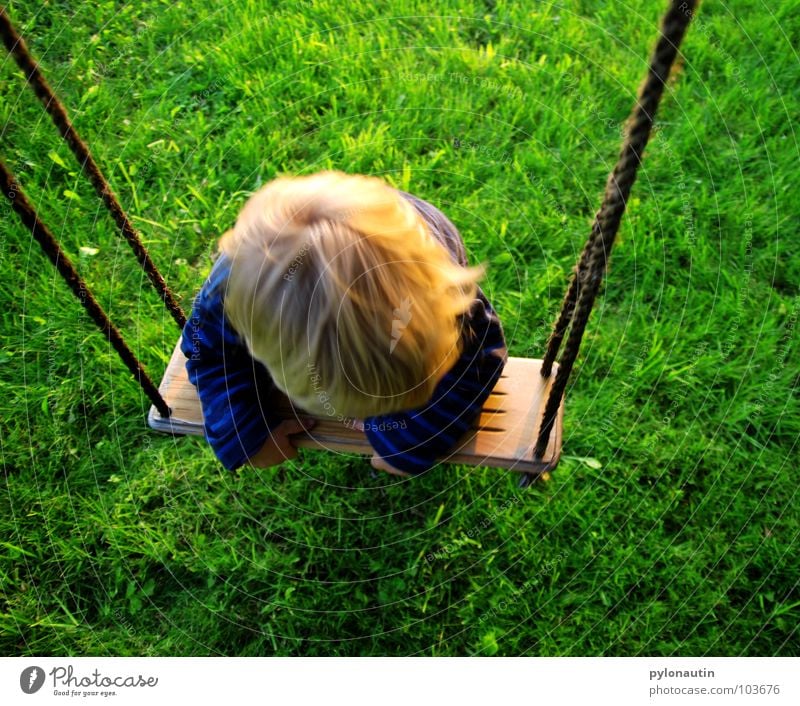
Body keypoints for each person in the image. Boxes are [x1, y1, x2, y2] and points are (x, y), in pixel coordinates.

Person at [181, 171, 507, 477]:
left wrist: (406, 443)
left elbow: (479, 360)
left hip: (419, 238)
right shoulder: (227, 293)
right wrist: (242, 434)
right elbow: (205, 351)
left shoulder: (445, 295)